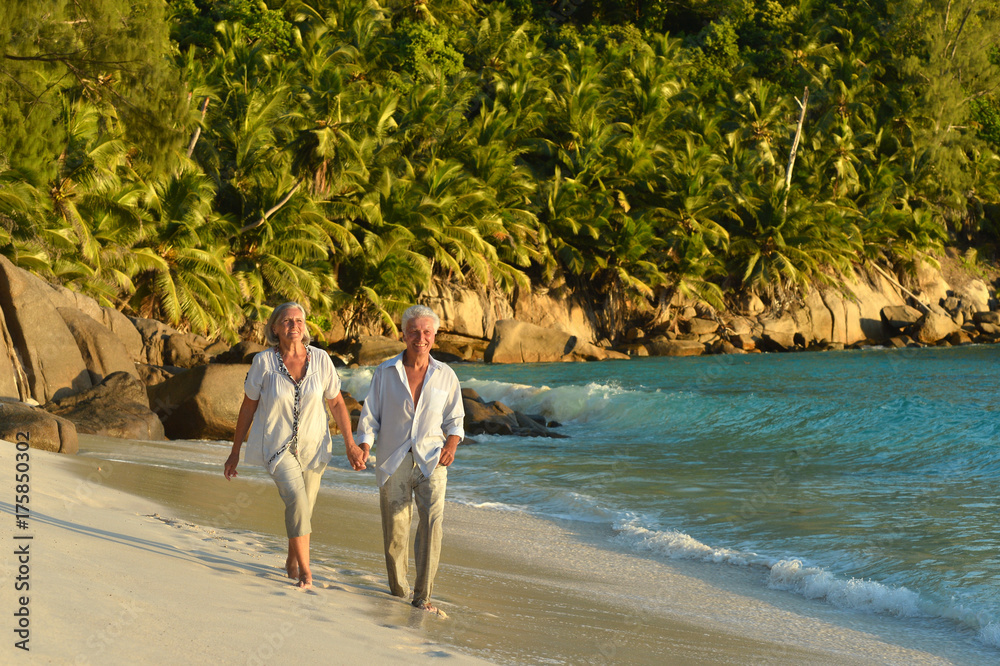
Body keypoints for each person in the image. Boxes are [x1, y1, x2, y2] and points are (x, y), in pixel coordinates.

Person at [224, 302, 368, 588]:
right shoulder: (263, 363)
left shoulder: (321, 359)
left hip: (314, 446)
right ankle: (305, 569)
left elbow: (336, 403)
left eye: (299, 321)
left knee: (305, 507)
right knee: (297, 500)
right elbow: (248, 406)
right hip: (277, 447)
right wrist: (235, 451)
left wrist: (350, 444)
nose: (294, 326)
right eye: (287, 321)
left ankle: (291, 559)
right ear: (275, 328)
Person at [355, 304, 464, 614]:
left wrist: (451, 445)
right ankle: (399, 590)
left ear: (435, 336)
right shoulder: (385, 372)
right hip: (393, 459)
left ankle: (423, 596)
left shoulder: (446, 375)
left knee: (432, 525)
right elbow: (370, 417)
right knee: (396, 531)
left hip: (433, 460)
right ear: (403, 334)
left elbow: (455, 420)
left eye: (427, 332)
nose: (421, 337)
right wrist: (364, 447)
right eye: (414, 331)